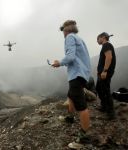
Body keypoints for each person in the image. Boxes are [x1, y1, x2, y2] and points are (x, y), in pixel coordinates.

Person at [51, 20, 91, 149]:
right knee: (71, 96)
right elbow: (77, 57)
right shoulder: (78, 38)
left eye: (63, 30)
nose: (62, 33)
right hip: (82, 73)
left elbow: (71, 56)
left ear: (66, 30)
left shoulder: (69, 37)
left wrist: (59, 62)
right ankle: (70, 118)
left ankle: (84, 138)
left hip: (77, 74)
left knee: (81, 106)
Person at [96, 32, 116, 120]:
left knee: (105, 91)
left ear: (103, 37)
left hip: (105, 73)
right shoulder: (106, 46)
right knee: (99, 89)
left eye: (98, 39)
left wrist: (104, 71)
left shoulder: (106, 45)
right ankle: (104, 106)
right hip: (101, 73)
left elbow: (109, 57)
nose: (97, 41)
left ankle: (111, 113)